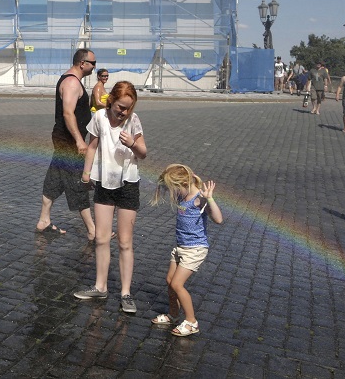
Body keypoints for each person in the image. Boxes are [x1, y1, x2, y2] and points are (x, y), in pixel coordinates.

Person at [75, 81, 147, 314]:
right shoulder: (99, 118)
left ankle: (126, 293)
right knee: (102, 238)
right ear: (111, 101)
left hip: (128, 183)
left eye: (128, 107)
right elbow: (92, 146)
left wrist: (133, 144)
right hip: (104, 183)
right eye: (120, 107)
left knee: (125, 242)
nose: (123, 112)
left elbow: (143, 153)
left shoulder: (133, 121)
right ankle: (100, 286)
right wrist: (86, 174)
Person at [149, 164, 223, 336]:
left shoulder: (199, 198)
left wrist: (209, 199)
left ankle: (191, 322)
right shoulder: (183, 195)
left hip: (195, 249)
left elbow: (218, 219)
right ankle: (173, 315)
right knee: (170, 281)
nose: (172, 194)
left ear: (182, 184)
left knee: (177, 284)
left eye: (173, 189)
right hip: (180, 246)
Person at [37, 49, 97, 240]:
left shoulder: (72, 80)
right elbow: (68, 113)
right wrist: (79, 140)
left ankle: (44, 220)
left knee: (54, 180)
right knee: (78, 182)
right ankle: (93, 230)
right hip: (69, 142)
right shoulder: (71, 82)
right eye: (92, 63)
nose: (95, 67)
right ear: (82, 63)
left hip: (65, 140)